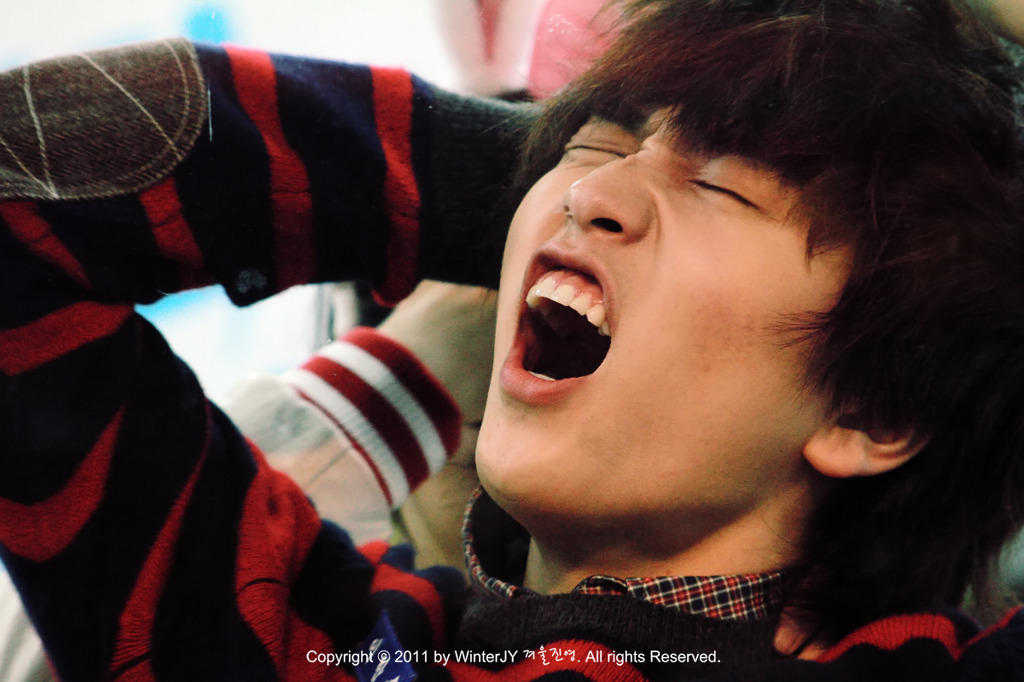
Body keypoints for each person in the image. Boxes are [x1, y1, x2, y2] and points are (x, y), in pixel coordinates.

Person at [2, 1, 1024, 680]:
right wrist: (527, 172)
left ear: (876, 407)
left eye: (724, 183)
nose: (591, 190)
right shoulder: (306, 647)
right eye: (598, 140)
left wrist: (961, 293)